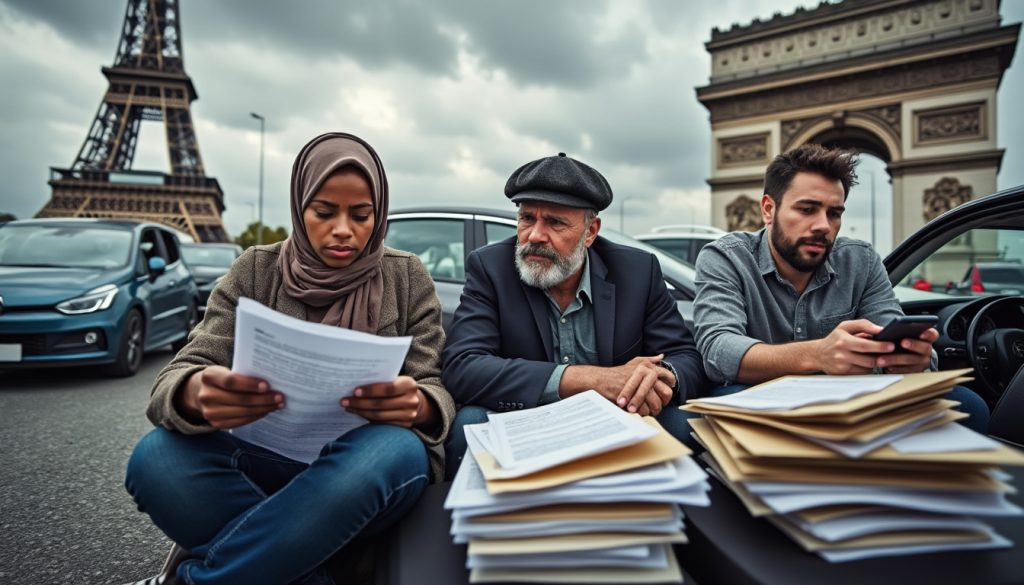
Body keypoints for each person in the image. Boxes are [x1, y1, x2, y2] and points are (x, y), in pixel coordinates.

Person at [124, 132, 454, 585]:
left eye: (362, 215)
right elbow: (178, 372)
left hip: (358, 474)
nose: (343, 229)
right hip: (258, 459)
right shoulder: (254, 268)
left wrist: (417, 404)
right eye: (324, 212)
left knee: (397, 449)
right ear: (300, 208)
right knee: (156, 460)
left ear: (378, 216)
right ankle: (314, 565)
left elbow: (432, 382)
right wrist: (195, 392)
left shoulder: (407, 275)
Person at [441, 152, 708, 478]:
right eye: (527, 218)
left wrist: (661, 377)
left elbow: (686, 357)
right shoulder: (491, 267)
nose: (535, 235)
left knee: (685, 423)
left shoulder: (637, 271)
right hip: (525, 419)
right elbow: (462, 366)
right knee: (468, 424)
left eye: (555, 222)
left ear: (590, 231)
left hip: (619, 416)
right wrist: (590, 380)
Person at [692, 143, 989, 431]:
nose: (823, 225)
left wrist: (911, 359)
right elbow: (718, 349)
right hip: (762, 396)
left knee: (969, 407)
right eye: (807, 209)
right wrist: (817, 354)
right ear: (768, 209)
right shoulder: (726, 257)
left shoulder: (862, 260)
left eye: (834, 213)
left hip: (853, 397)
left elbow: (893, 328)